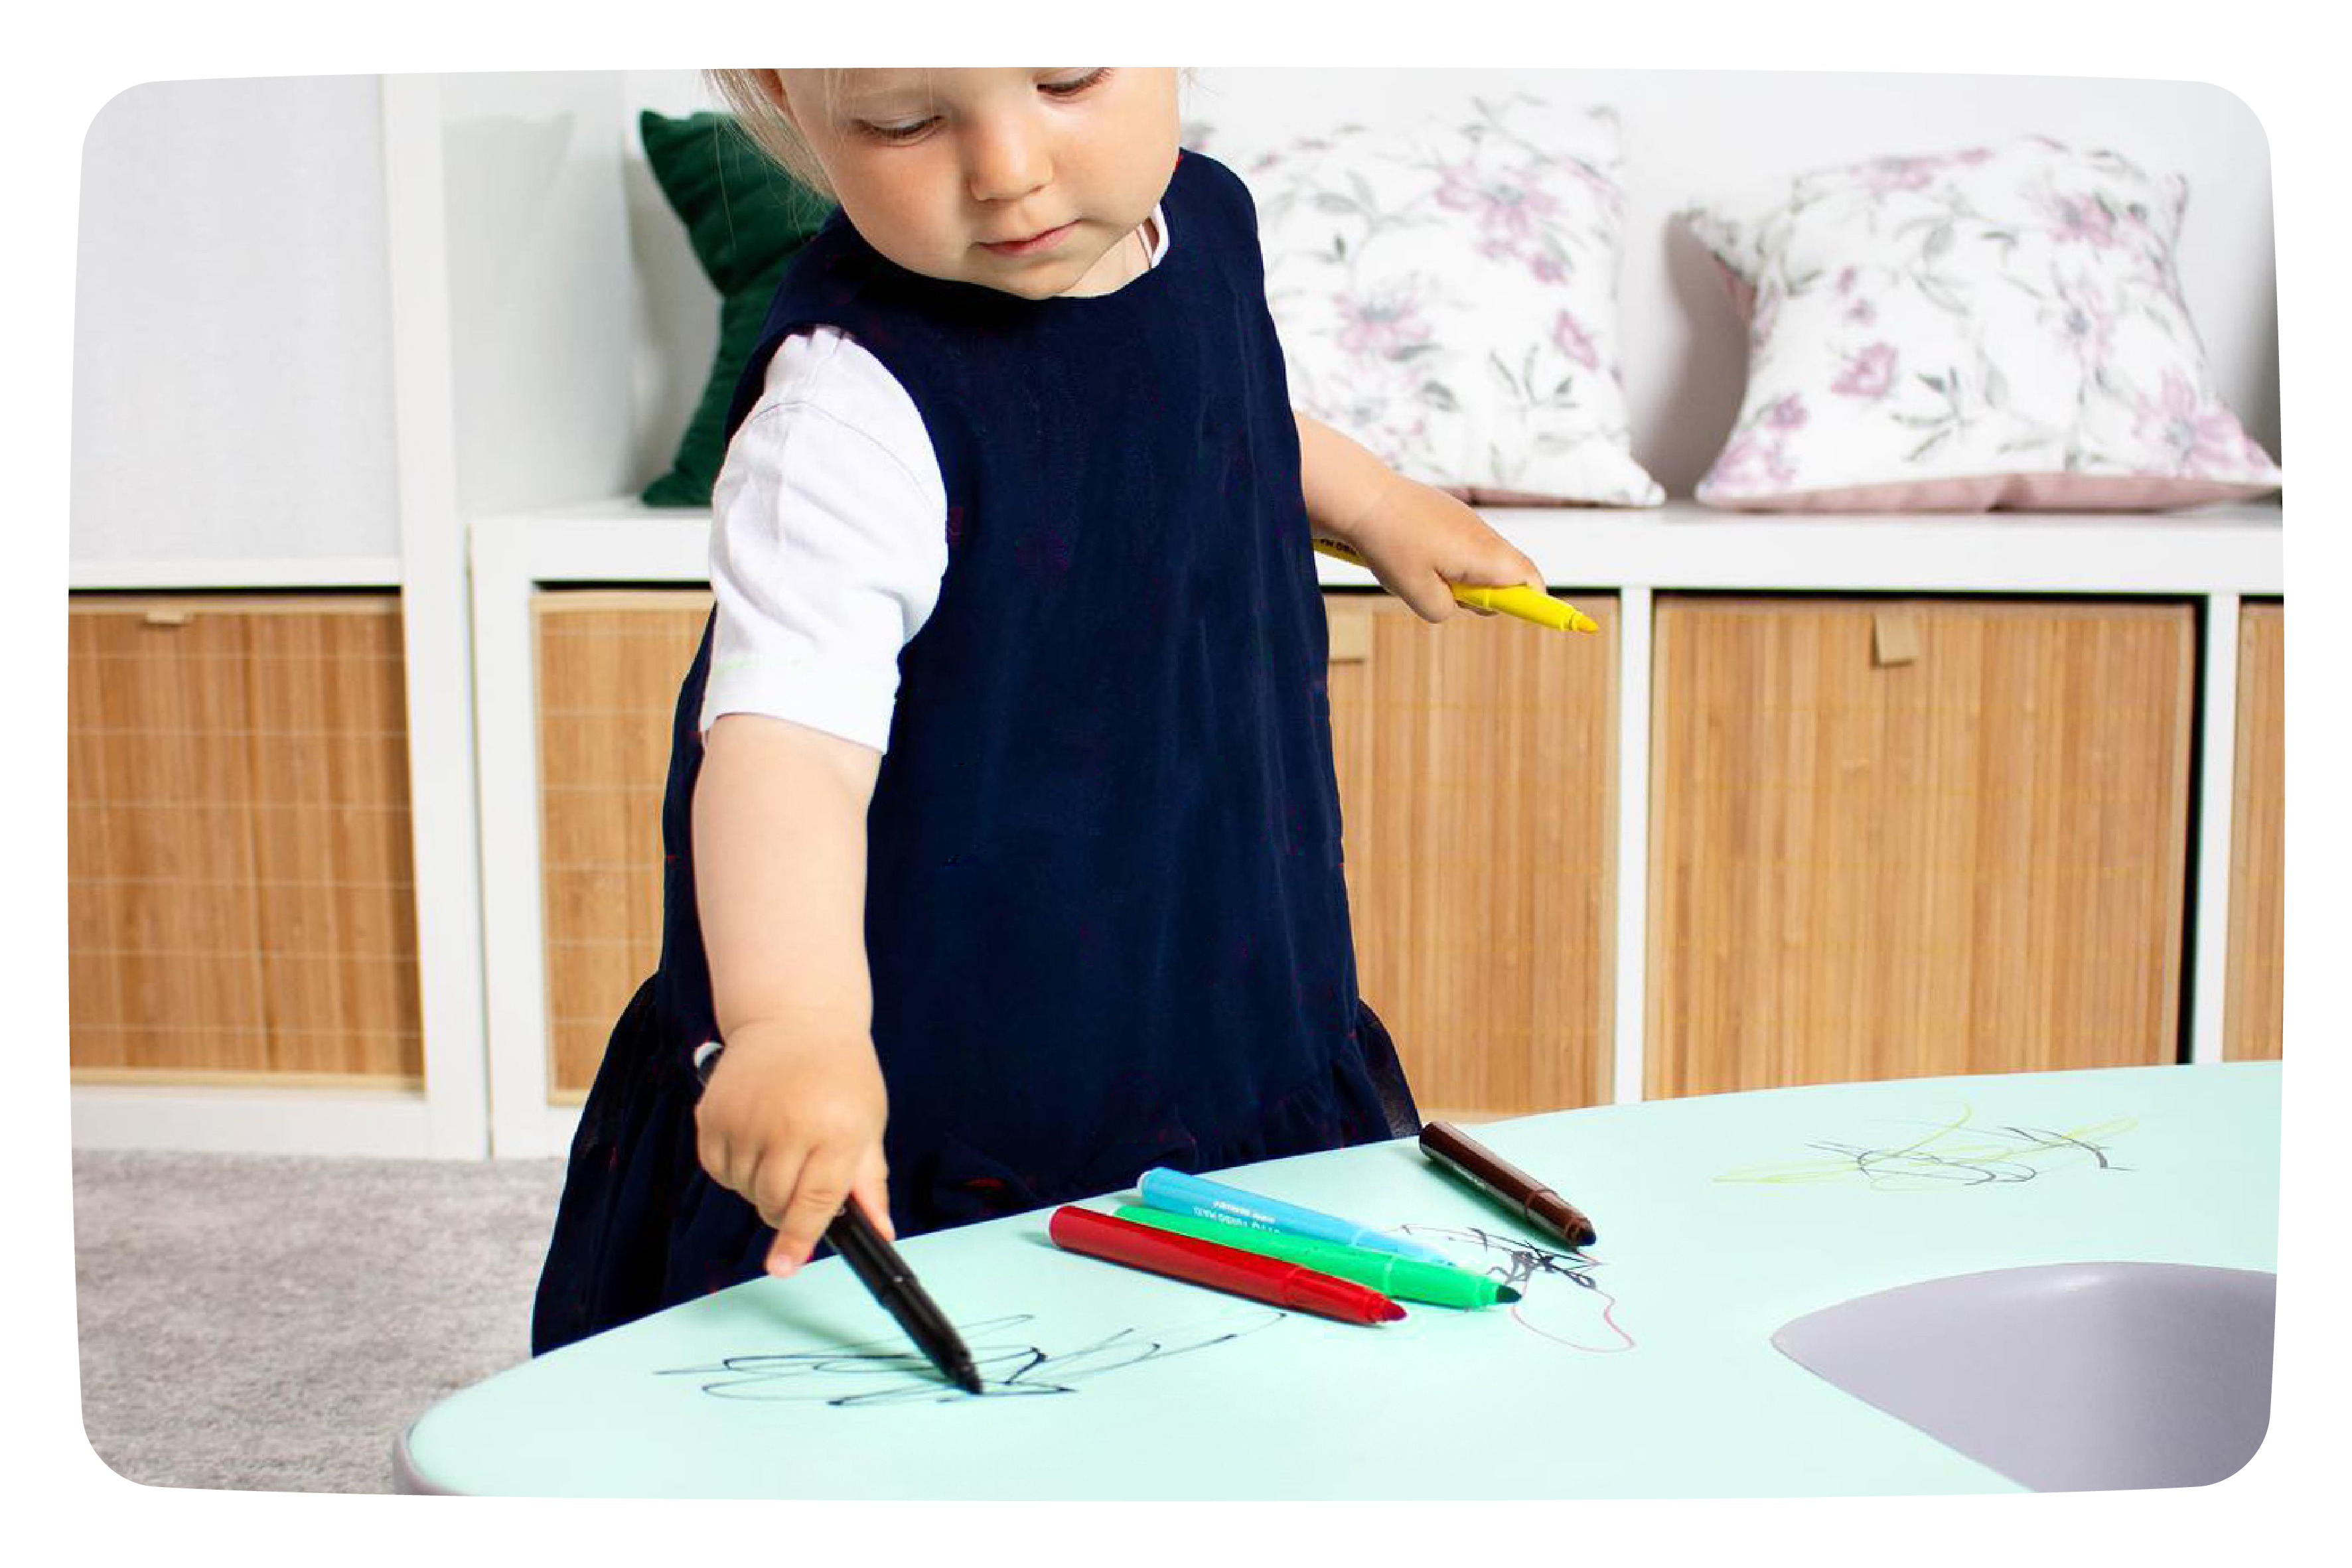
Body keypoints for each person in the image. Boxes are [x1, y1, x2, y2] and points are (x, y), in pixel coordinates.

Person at [532, 66, 1542, 1356]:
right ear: (796, 97)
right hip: (956, 1056)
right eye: (905, 121)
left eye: (1064, 78)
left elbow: (1219, 403)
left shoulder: (1200, 227)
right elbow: (784, 753)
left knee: (1244, 1384)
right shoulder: (850, 406)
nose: (1004, 167)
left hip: (1213, 947)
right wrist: (793, 1023)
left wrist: (1378, 502)